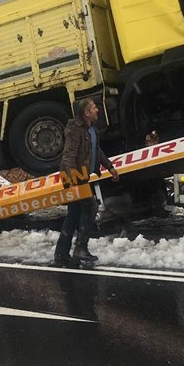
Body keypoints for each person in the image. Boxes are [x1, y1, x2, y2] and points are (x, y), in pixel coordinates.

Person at [53, 98, 119, 267]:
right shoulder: (75, 129)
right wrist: (73, 181)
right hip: (74, 176)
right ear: (87, 112)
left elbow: (96, 150)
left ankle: (62, 253)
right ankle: (80, 249)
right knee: (91, 207)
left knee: (74, 213)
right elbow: (68, 155)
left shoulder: (91, 129)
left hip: (82, 176)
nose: (97, 110)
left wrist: (109, 167)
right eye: (94, 108)